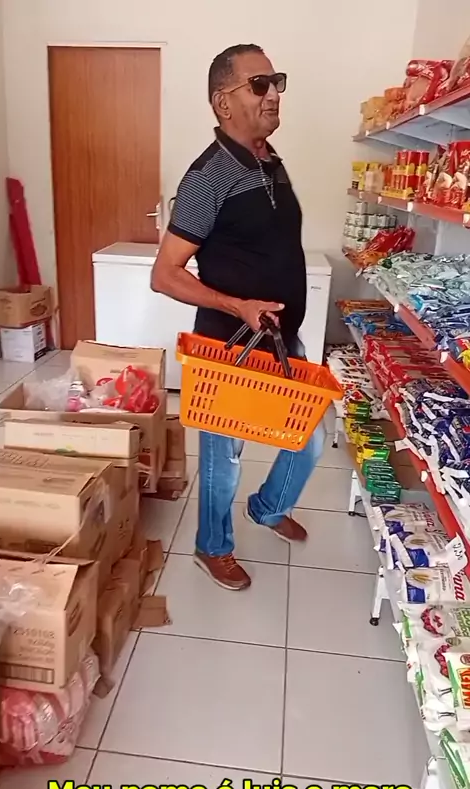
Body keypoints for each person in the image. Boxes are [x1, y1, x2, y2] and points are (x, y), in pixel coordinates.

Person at [152, 43, 325, 592]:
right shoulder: (208, 176)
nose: (273, 93)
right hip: (229, 346)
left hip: (280, 340)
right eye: (259, 84)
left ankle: (268, 507)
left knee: (310, 436)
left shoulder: (269, 161)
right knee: (223, 458)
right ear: (222, 102)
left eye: (276, 81)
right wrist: (237, 307)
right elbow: (165, 274)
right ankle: (212, 547)